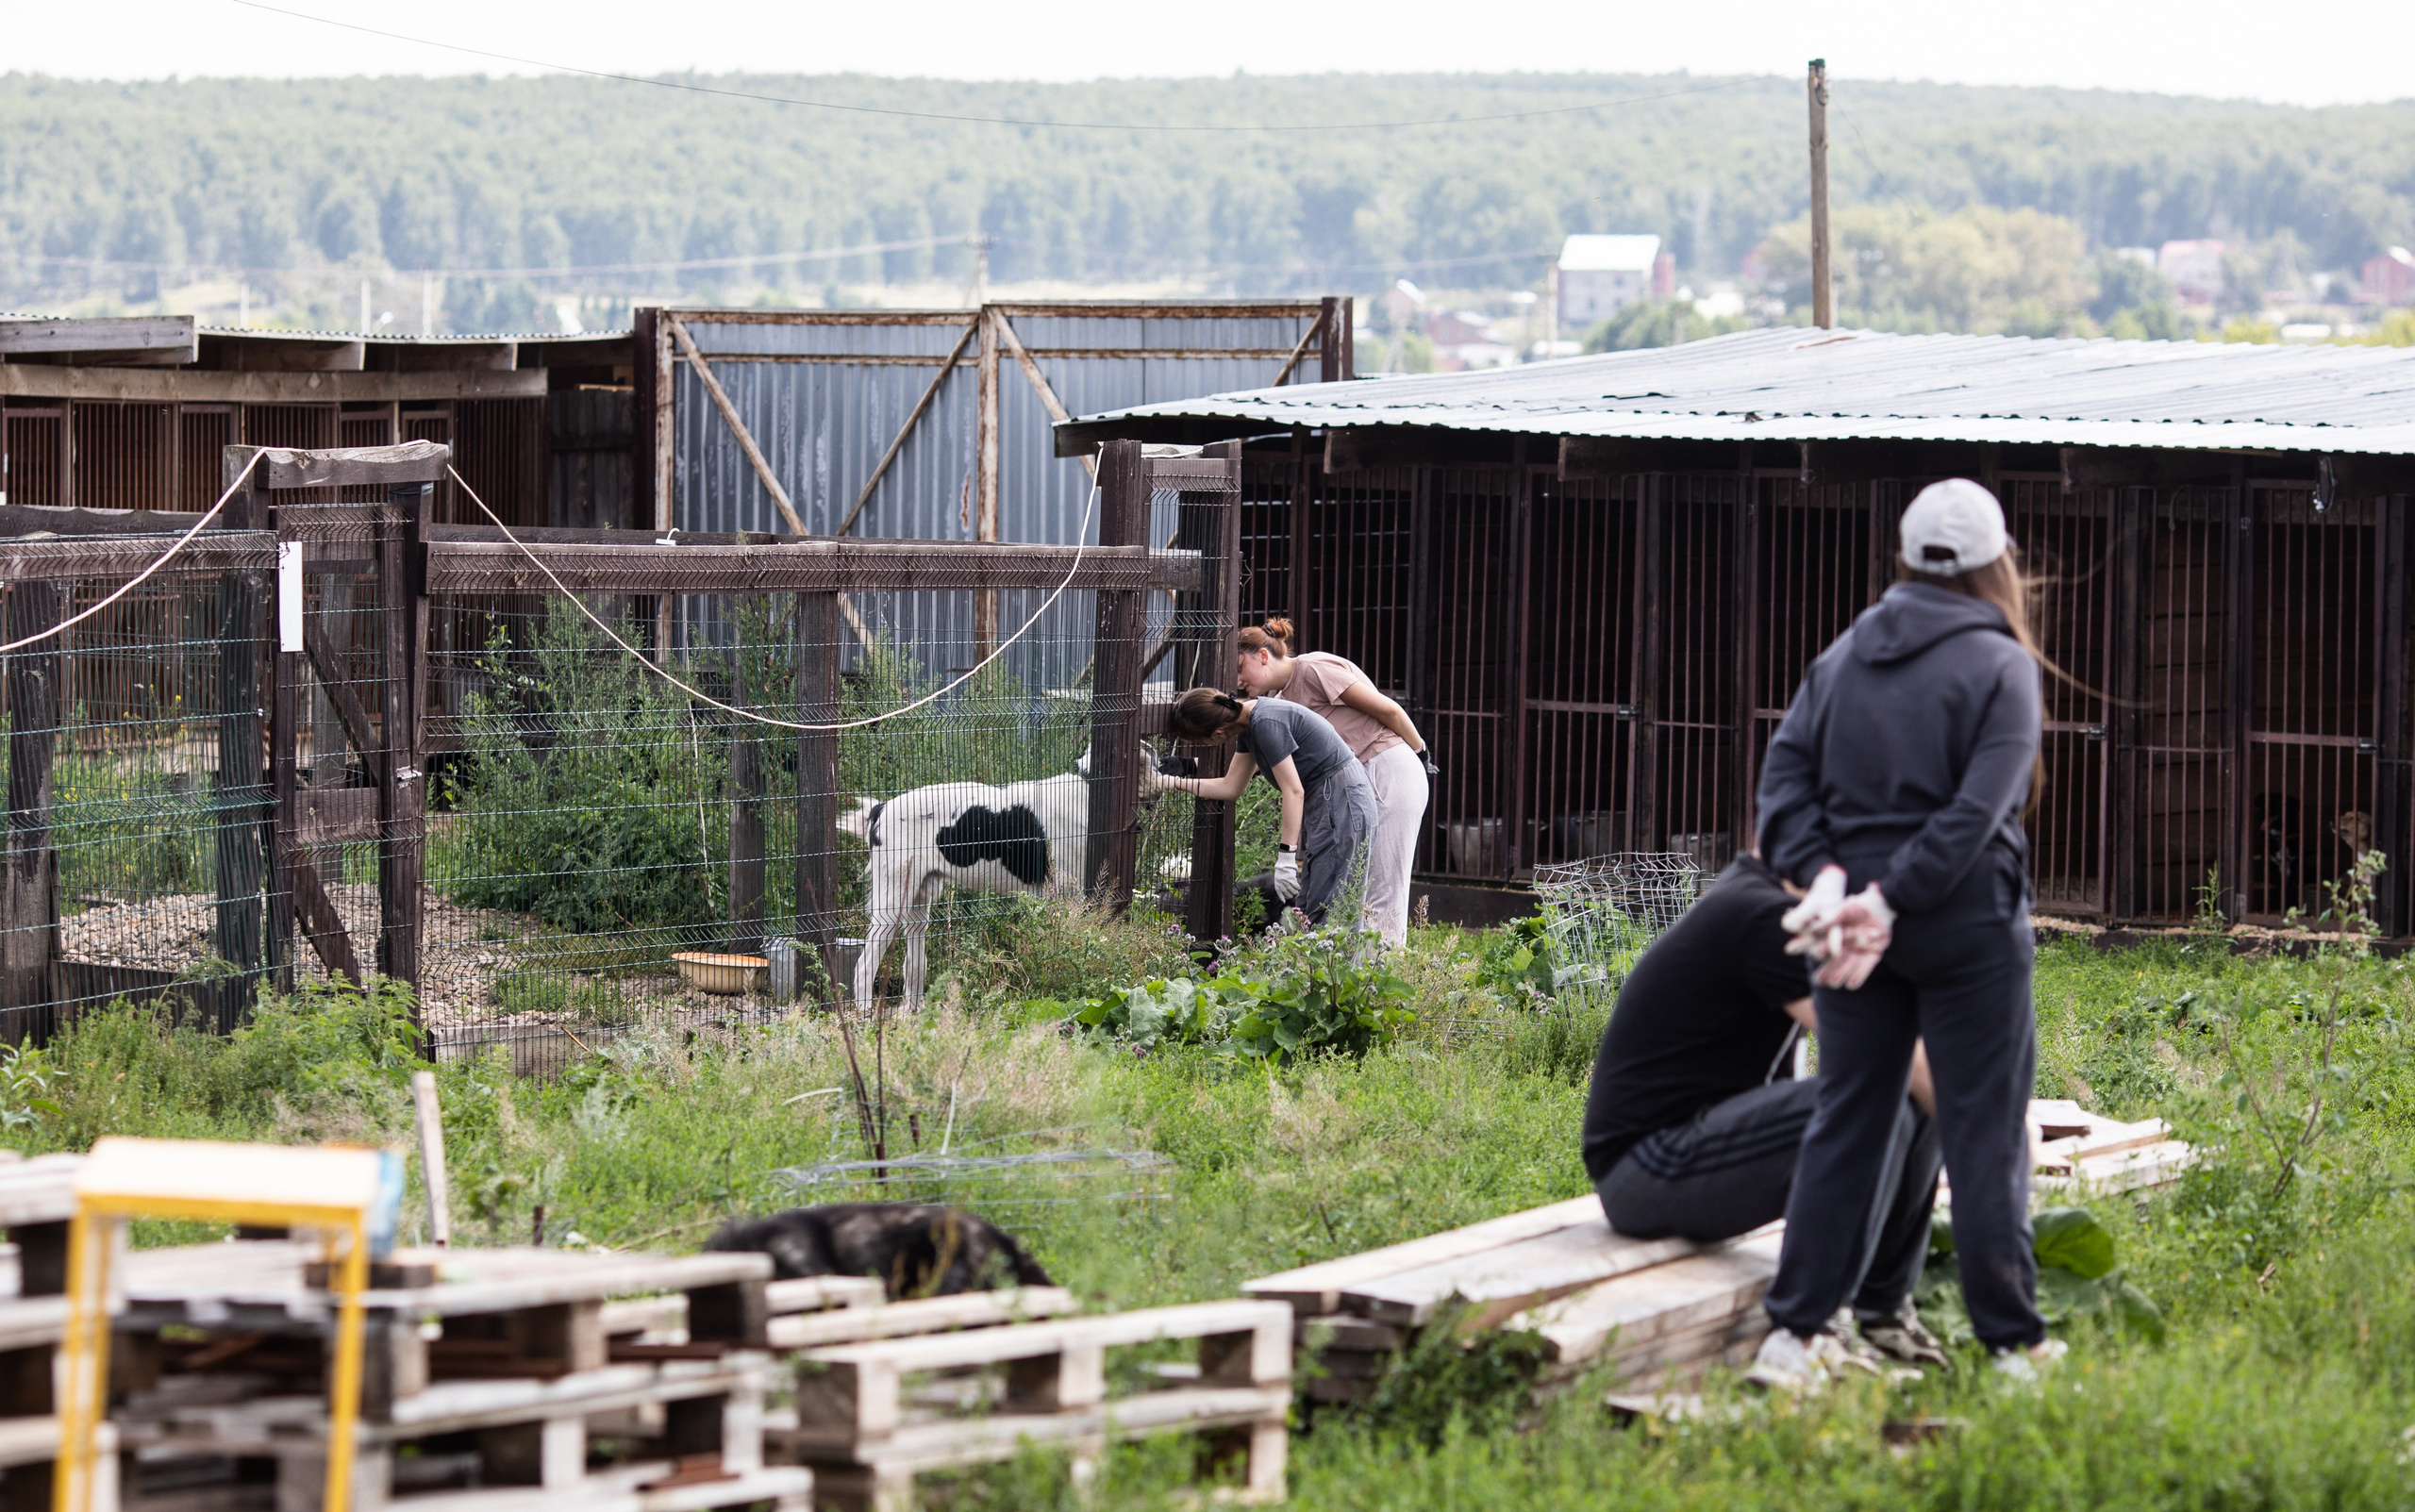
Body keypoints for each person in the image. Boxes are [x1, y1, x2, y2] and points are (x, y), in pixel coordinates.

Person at [1751, 478, 2058, 1387]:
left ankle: (1796, 1334)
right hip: (1962, 925)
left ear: (1905, 558)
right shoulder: (2003, 664)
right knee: (1984, 1129)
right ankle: (2015, 1346)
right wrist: (1888, 901)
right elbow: (1978, 811)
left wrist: (1832, 878)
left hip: (1849, 932)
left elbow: (1783, 781)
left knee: (1849, 1118)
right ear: (1997, 564)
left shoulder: (1841, 657)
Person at [1581, 852, 1947, 1369]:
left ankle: (1881, 1312)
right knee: (1882, 1085)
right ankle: (1811, 1330)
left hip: (1700, 1146)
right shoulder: (1764, 916)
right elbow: (1886, 1049)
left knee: (1900, 1089)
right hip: (1644, 1167)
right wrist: (1995, 1134)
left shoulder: (1779, 906)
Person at [1235, 619, 1437, 945]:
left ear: (1262, 655)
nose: (1238, 680)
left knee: (1382, 886)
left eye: (1240, 667)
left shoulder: (1313, 668)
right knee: (1355, 885)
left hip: (1388, 766)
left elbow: (1389, 710)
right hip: (1357, 781)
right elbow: (1250, 768)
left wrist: (1421, 753)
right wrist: (1188, 768)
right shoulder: (1280, 702)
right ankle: (1356, 969)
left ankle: (1387, 969)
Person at [1159, 688, 1376, 929]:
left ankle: (1340, 955)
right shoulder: (1250, 724)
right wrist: (1170, 782)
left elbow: (1293, 791)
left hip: (1340, 797)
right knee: (1313, 899)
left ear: (1218, 733)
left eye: (1202, 742)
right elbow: (1231, 787)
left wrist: (1286, 859)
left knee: (1332, 902)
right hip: (1332, 797)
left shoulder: (1265, 722)